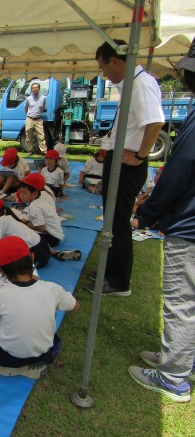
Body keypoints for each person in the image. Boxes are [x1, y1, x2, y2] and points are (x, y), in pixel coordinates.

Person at [128, 40, 195, 403]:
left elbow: (179, 170)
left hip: (189, 227)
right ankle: (181, 357)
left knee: (181, 301)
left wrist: (148, 214)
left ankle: (173, 376)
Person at [86, 39, 164, 296]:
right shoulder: (132, 84)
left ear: (116, 61)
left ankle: (119, 282)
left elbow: (154, 123)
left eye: (104, 67)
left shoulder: (142, 84)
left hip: (127, 165)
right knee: (112, 220)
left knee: (118, 222)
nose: (104, 74)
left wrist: (141, 156)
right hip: (119, 161)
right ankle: (111, 271)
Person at [0, 237, 79, 379]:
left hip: (8, 358)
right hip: (44, 353)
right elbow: (75, 306)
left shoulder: (1, 294)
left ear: (0, 271)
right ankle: (31, 364)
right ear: (32, 257)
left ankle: (12, 368)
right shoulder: (51, 288)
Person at [17, 173, 82, 261]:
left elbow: (40, 227)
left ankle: (49, 252)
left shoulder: (34, 206)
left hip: (52, 237)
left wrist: (25, 223)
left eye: (24, 193)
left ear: (35, 193)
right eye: (21, 193)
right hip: (54, 235)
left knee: (22, 237)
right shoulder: (38, 199)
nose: (21, 195)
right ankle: (55, 252)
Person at [0, 198, 51, 268]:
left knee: (2, 260)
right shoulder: (8, 218)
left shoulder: (1, 220)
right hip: (44, 247)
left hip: (36, 256)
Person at [24, 82, 47, 155]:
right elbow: (26, 108)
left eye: (36, 88)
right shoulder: (28, 98)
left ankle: (44, 151)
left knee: (41, 136)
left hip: (38, 119)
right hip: (30, 119)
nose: (35, 89)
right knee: (28, 135)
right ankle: (30, 150)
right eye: (33, 88)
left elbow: (43, 108)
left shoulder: (43, 98)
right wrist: (30, 115)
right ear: (31, 89)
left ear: (39, 89)